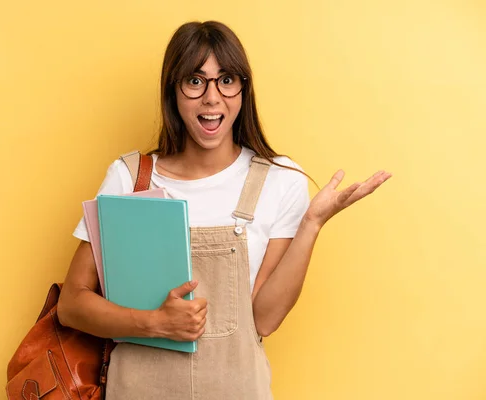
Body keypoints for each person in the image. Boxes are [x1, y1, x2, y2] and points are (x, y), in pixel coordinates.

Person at [57, 20, 391, 400]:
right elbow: (72, 305)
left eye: (226, 80)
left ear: (243, 90)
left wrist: (312, 224)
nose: (212, 97)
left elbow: (263, 319)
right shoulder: (131, 179)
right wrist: (155, 323)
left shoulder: (280, 181)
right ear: (173, 91)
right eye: (195, 81)